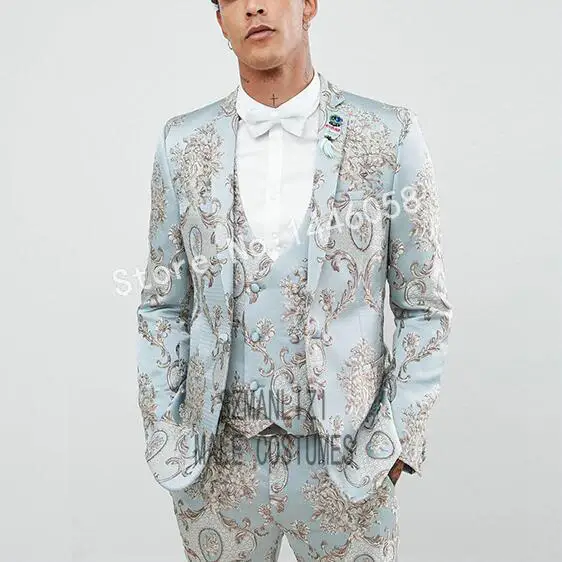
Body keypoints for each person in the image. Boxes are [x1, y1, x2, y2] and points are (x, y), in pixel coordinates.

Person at [136, 1, 453, 559]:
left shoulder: (389, 135)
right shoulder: (181, 145)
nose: (254, 6)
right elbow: (162, 306)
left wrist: (394, 443)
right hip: (218, 473)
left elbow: (424, 309)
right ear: (220, 20)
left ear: (309, 5)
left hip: (349, 469)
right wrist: (168, 434)